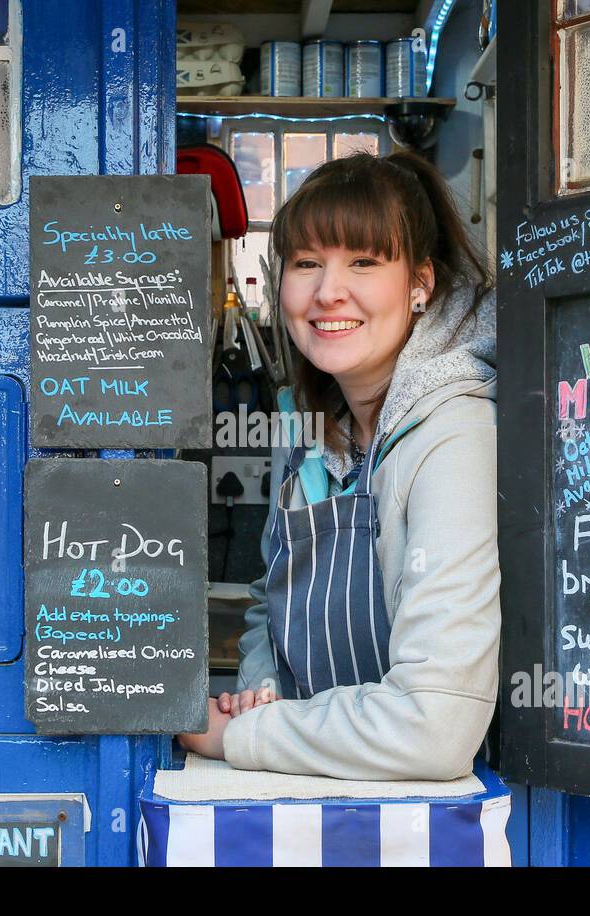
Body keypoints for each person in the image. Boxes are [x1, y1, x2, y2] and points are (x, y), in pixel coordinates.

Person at [178, 149, 500, 781]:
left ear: (420, 284)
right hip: (313, 788)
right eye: (306, 263)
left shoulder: (457, 433)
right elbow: (269, 607)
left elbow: (434, 728)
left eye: (363, 262)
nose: (328, 292)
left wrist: (242, 735)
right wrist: (260, 690)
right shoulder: (307, 422)